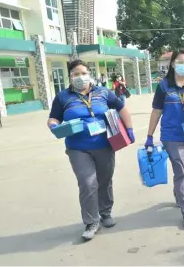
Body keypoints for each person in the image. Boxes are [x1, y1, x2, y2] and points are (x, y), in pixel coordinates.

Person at [47, 59, 135, 241]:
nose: (80, 77)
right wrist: (54, 126)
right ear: (70, 77)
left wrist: (130, 129)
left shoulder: (103, 92)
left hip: (105, 145)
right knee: (87, 183)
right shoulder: (63, 97)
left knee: (105, 180)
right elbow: (54, 118)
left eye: (83, 73)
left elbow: (122, 108)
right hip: (78, 148)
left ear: (90, 74)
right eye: (75, 74)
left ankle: (105, 212)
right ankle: (91, 221)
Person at [144, 48, 184, 228]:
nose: (183, 66)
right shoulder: (164, 86)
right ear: (172, 64)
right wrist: (149, 136)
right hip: (171, 135)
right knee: (180, 170)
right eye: (180, 62)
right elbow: (156, 111)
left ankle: (179, 192)